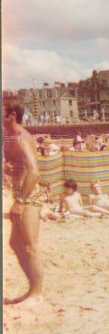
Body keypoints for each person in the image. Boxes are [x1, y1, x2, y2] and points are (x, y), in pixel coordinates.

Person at [3, 99, 45, 307]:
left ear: (11, 115)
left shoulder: (21, 137)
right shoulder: (11, 136)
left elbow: (34, 172)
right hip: (21, 193)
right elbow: (23, 165)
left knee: (29, 245)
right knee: (16, 243)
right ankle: (32, 290)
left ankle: (37, 294)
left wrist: (20, 201)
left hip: (29, 195)